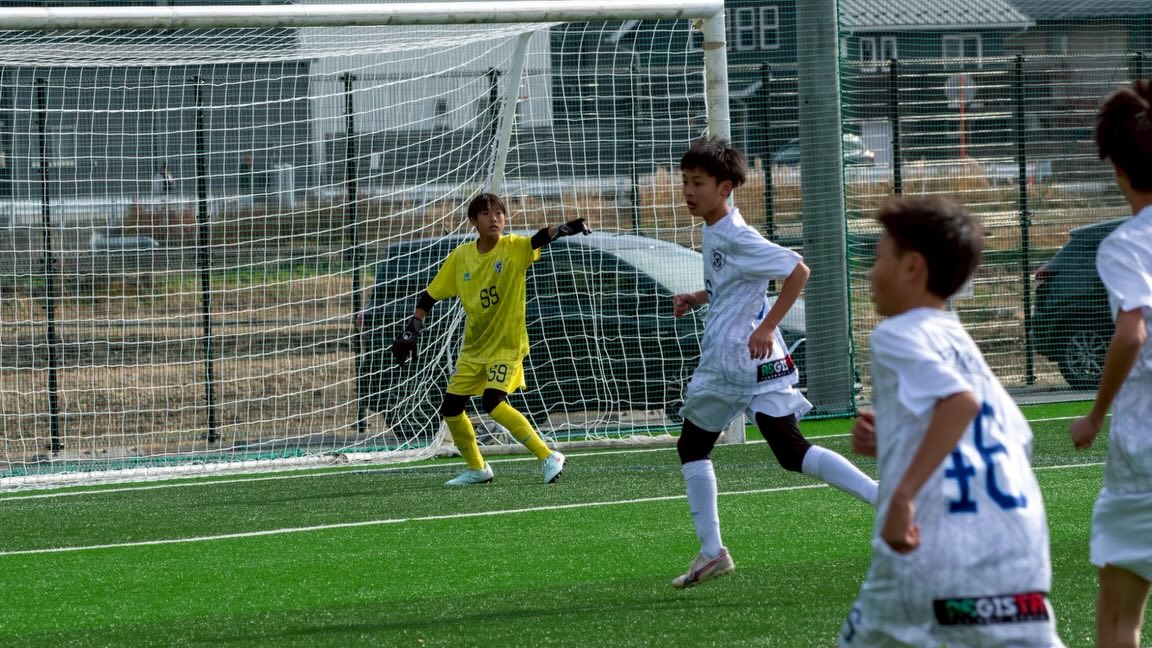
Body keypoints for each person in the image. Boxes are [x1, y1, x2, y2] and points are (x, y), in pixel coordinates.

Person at [841, 196, 1063, 647]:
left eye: (879, 257)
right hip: (1018, 565)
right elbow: (1007, 435)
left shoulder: (896, 334)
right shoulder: (959, 340)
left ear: (911, 268)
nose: (869, 273)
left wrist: (902, 495)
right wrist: (900, 438)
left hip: (932, 560)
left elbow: (959, 405)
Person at [669, 135, 877, 589]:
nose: (688, 191)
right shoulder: (714, 227)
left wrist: (765, 327)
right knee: (789, 450)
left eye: (697, 183)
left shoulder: (738, 234)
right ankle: (885, 501)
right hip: (760, 361)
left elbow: (797, 269)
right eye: (684, 181)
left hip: (732, 360)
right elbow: (739, 282)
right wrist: (700, 295)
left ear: (725, 187)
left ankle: (712, 551)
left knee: (693, 448)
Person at [392, 192, 586, 486]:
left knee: (493, 402)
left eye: (499, 213)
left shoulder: (513, 248)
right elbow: (430, 295)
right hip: (474, 349)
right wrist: (413, 326)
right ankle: (478, 468)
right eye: (486, 214)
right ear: (473, 221)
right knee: (451, 409)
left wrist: (560, 229)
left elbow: (537, 239)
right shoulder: (461, 257)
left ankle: (549, 456)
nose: (494, 218)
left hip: (507, 346)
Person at [1069, 80, 1152, 648]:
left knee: (1119, 618)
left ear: (1117, 169)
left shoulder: (1125, 244)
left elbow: (1131, 332)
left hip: (1144, 453)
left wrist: (1096, 414)